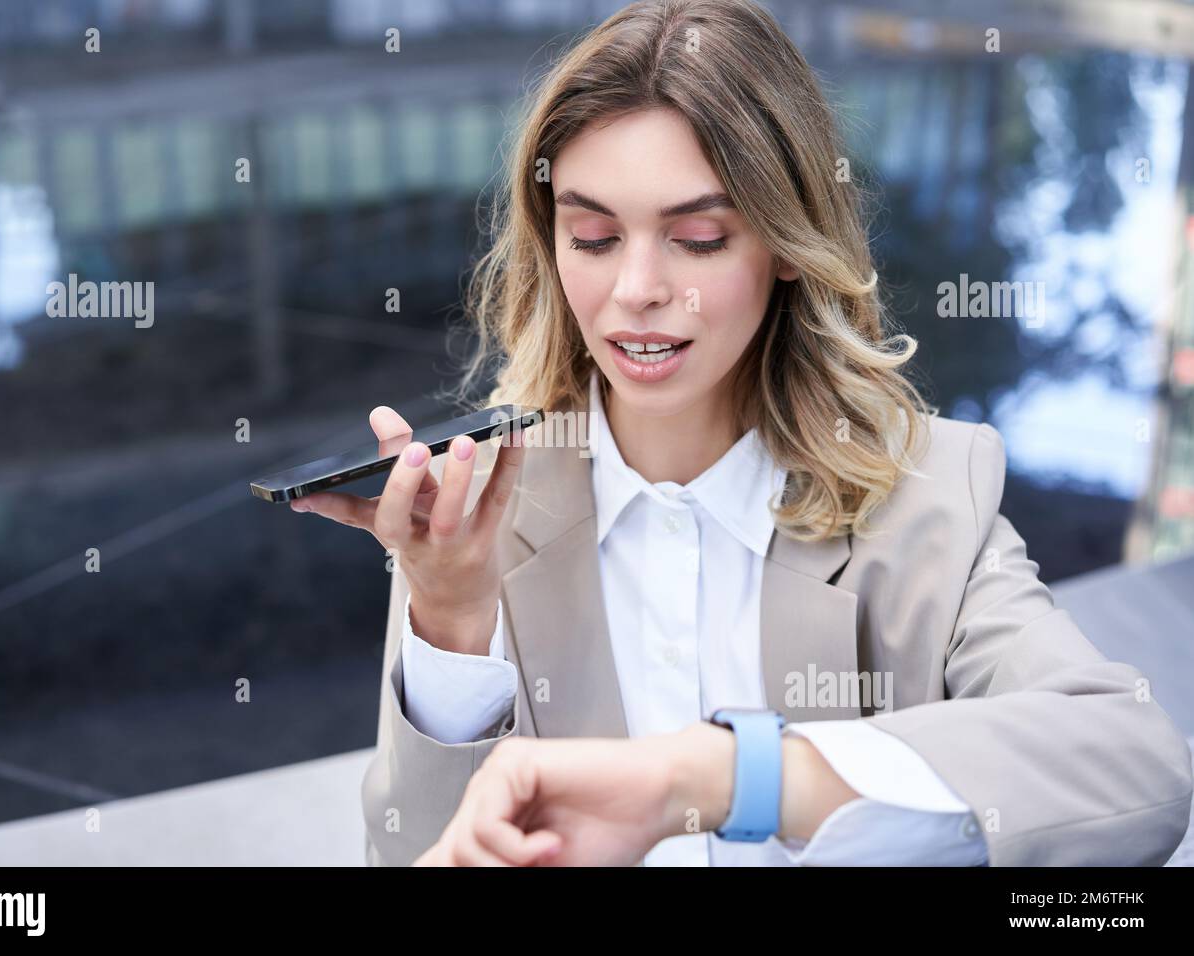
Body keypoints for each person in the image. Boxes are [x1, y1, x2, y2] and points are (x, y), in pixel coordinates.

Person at [291, 0, 1193, 866]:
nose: (637, 288)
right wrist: (448, 623)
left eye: (700, 238)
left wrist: (719, 777)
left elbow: (1133, 767)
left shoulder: (928, 499)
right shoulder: (481, 516)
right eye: (595, 237)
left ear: (788, 248)